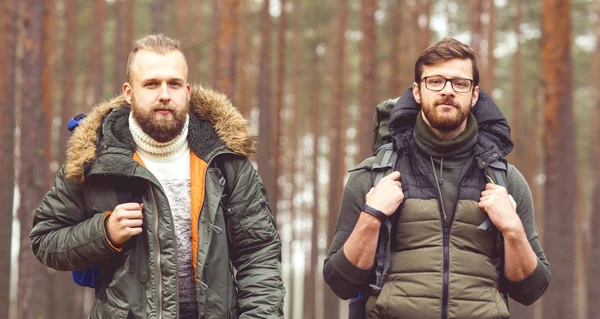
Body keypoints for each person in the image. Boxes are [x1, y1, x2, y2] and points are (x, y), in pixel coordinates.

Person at [30, 34, 285, 319]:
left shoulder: (225, 158)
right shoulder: (93, 159)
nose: (164, 94)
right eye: (151, 84)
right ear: (129, 92)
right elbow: (45, 239)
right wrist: (103, 232)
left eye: (173, 84)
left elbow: (259, 254)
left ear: (187, 91)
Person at [323, 38, 550, 319]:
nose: (447, 91)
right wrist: (371, 217)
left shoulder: (506, 181)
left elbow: (531, 290)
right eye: (436, 81)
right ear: (417, 91)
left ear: (475, 94)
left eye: (460, 83)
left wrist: (513, 230)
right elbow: (340, 282)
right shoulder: (374, 177)